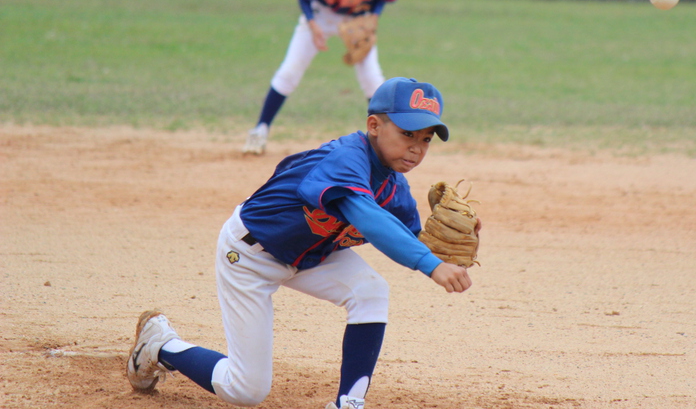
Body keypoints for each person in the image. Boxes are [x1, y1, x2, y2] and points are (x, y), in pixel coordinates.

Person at [127, 77, 478, 409]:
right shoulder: (345, 160)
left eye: (427, 139)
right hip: (251, 255)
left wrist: (451, 245)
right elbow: (370, 219)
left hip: (311, 255)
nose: (416, 148)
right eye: (407, 134)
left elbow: (409, 236)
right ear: (374, 126)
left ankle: (348, 402)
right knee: (246, 389)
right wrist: (430, 265)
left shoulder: (394, 187)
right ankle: (161, 345)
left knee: (371, 291)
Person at [243, 0, 398, 155]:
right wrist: (313, 25)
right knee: (290, 71)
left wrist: (374, 20)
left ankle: (382, 143)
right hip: (321, 15)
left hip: (358, 21)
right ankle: (260, 129)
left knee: (373, 79)